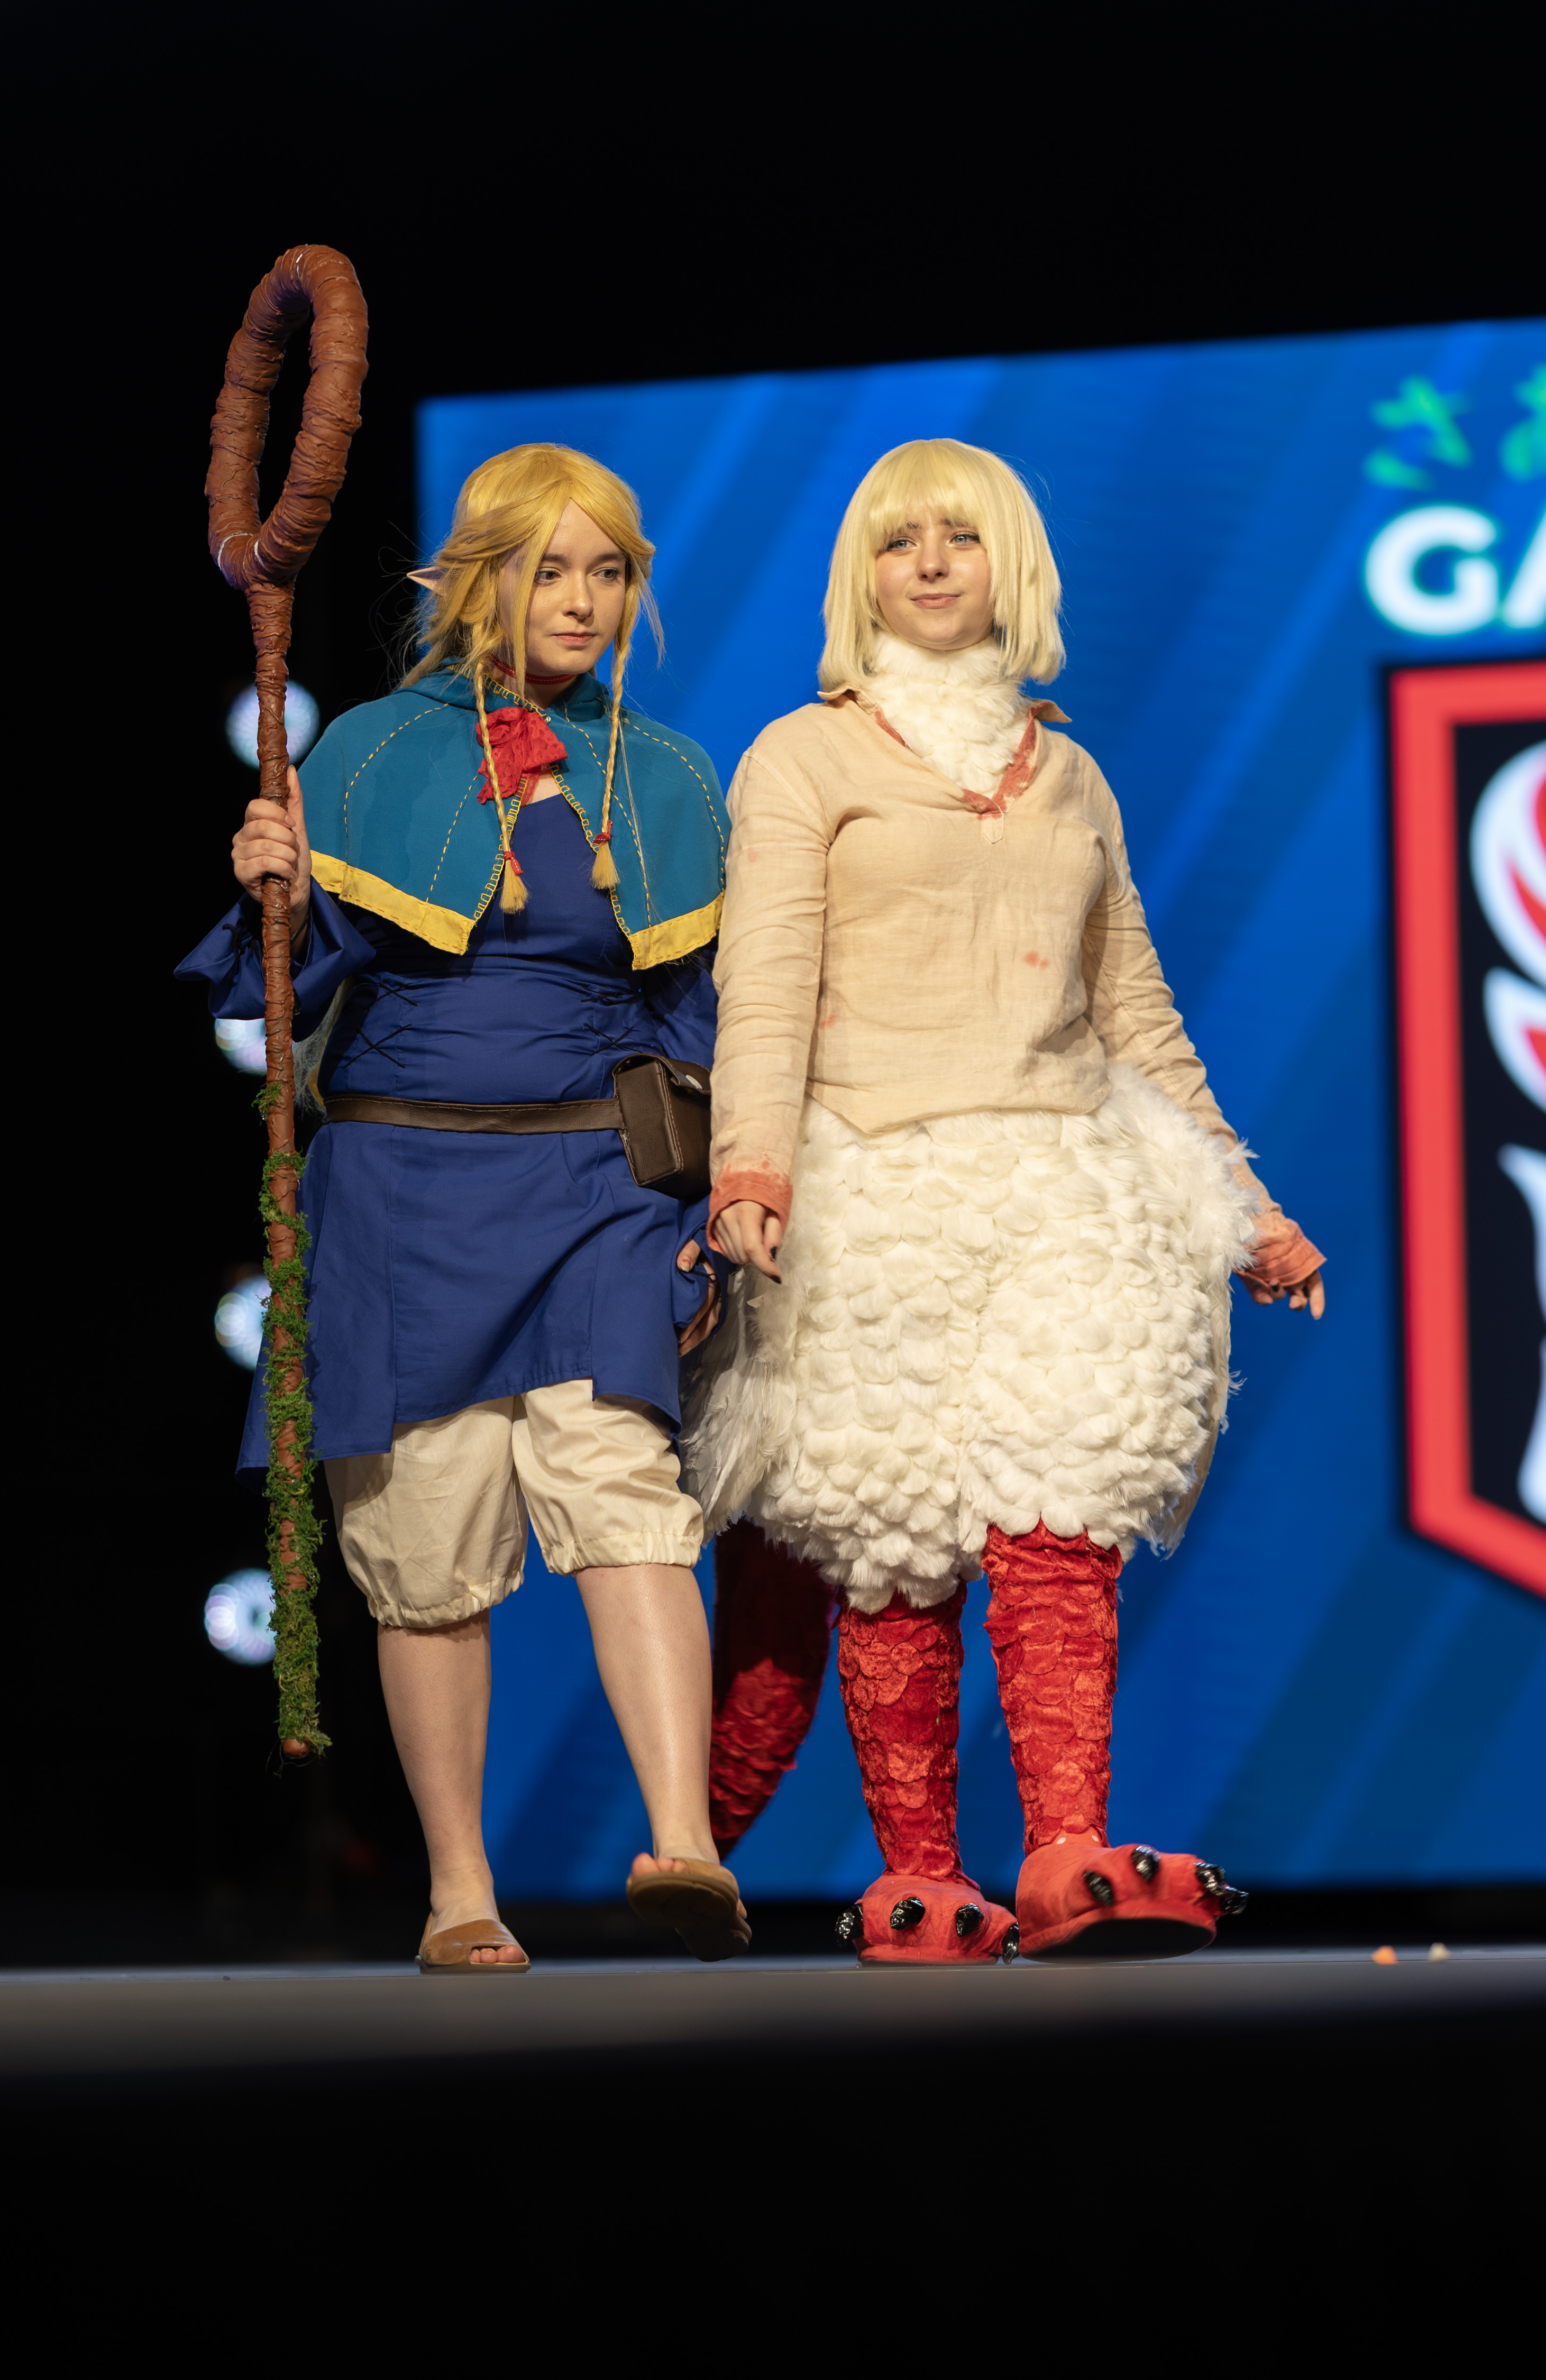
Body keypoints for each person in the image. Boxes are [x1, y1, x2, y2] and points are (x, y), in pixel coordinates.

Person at [686, 438, 1325, 1963]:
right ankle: (921, 1877)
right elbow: (762, 984)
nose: (928, 562)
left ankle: (1066, 1855)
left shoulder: (1071, 774)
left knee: (1060, 1516)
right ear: (859, 573)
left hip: (1064, 1184)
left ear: (1011, 565)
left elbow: (1134, 1009)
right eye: (896, 537)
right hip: (872, 1181)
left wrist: (1249, 1208)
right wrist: (750, 1165)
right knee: (890, 1533)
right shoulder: (803, 758)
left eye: (960, 536)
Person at [179, 445, 747, 1970]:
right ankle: (457, 1890)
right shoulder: (367, 755)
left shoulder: (666, 773)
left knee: (626, 1493)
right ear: (476, 578)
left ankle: (683, 1844)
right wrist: (271, 884)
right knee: (424, 1549)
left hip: (597, 1187)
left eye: (607, 572)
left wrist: (705, 1205)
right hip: (403, 1193)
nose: (580, 599)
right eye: (549, 568)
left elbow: (698, 1018)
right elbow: (275, 993)